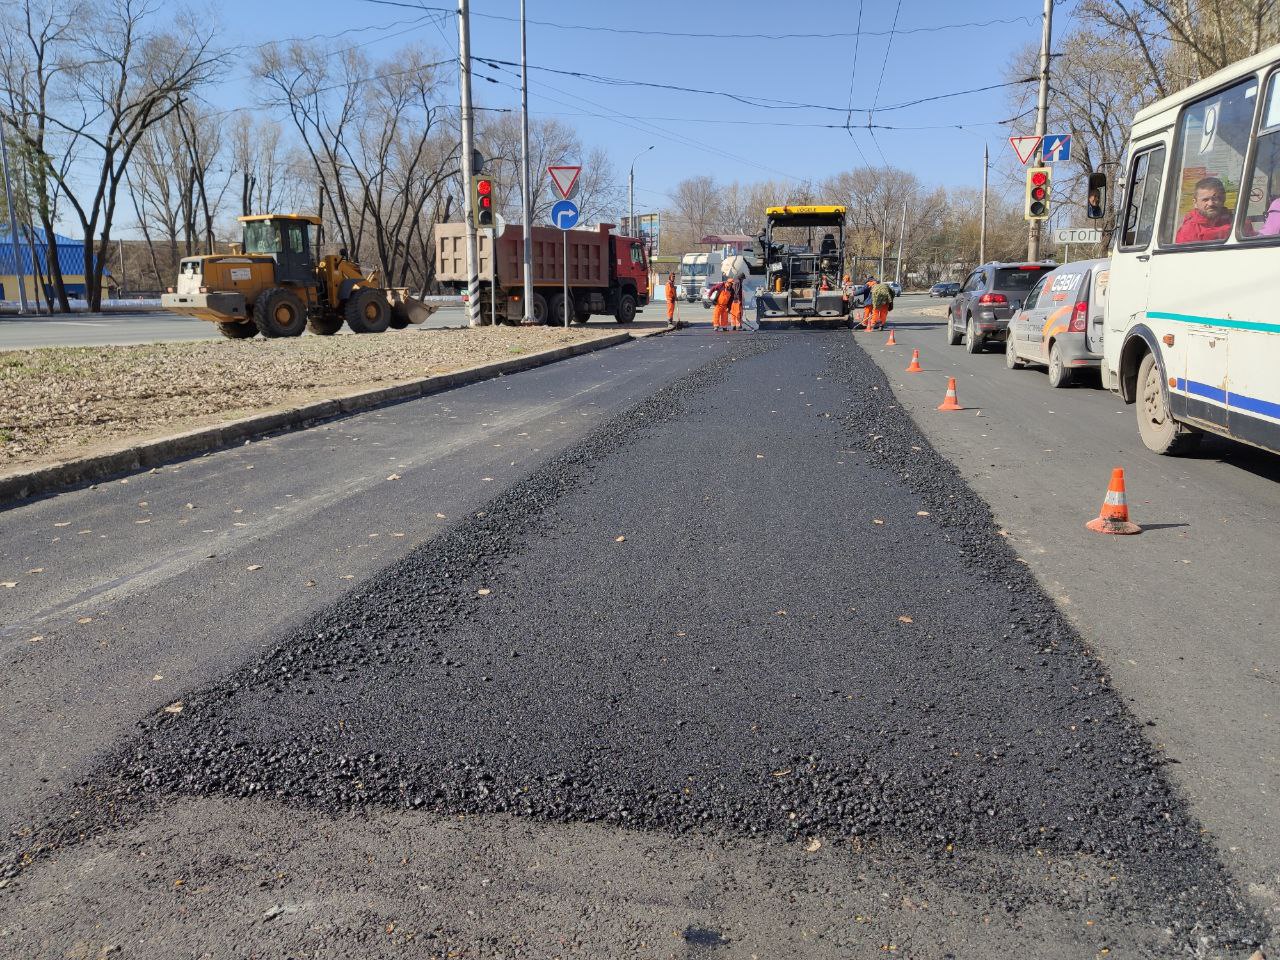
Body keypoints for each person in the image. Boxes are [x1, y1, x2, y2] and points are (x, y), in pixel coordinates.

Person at [1174, 176, 1234, 243]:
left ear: (1223, 199)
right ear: (1195, 203)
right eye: (1205, 200)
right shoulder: (1188, 231)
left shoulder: (1236, 221)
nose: (1211, 203)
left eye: (1215, 198)